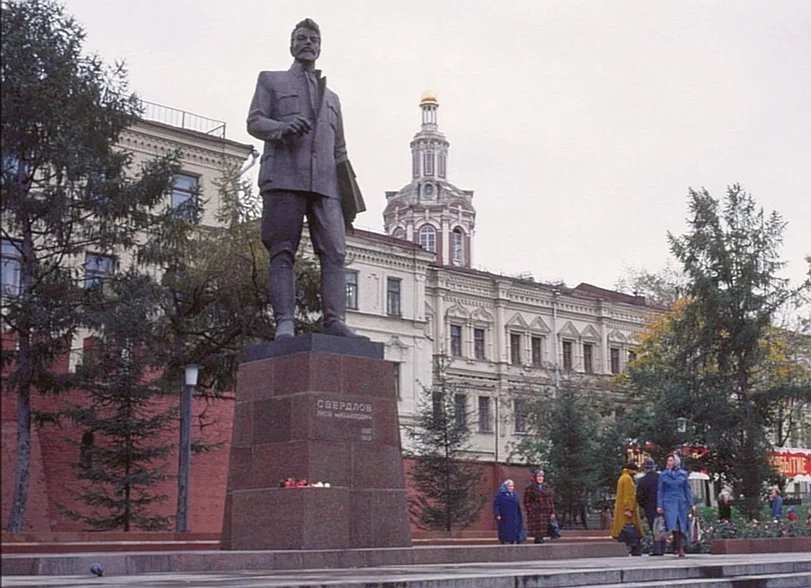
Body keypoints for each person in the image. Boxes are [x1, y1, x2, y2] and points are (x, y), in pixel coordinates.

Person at [247, 18, 361, 339]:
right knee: (283, 251)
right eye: (301, 38)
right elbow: (255, 121)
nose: (307, 43)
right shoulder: (271, 80)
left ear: (320, 47)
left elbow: (340, 150)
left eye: (313, 39)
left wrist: (348, 200)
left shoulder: (333, 99)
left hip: (326, 186)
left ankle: (334, 320)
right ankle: (285, 320)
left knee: (335, 253)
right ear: (292, 44)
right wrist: (281, 127)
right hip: (284, 178)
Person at [657, 453, 693, 557]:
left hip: (681, 502)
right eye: (668, 461)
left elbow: (687, 490)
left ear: (676, 462)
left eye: (671, 461)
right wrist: (659, 505)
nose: (669, 463)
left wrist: (691, 504)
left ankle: (678, 545)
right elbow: (660, 491)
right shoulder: (663, 475)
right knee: (673, 525)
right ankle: (679, 548)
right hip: (668, 502)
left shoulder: (683, 474)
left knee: (682, 525)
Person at [611, 462, 643, 555]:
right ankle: (634, 549)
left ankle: (627, 548)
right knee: (631, 528)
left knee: (622, 529)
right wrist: (628, 509)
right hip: (627, 510)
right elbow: (629, 495)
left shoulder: (622, 478)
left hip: (621, 508)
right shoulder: (628, 479)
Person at [636, 458, 664, 555]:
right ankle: (662, 548)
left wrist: (643, 505)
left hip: (649, 507)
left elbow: (639, 496)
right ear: (654, 467)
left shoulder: (642, 481)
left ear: (645, 469)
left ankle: (657, 549)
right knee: (662, 526)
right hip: (662, 505)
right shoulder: (661, 478)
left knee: (653, 527)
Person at [523, 469, 556, 544]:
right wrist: (531, 510)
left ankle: (540, 543)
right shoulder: (530, 487)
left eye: (541, 476)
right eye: (538, 476)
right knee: (537, 533)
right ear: (535, 477)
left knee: (543, 531)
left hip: (545, 512)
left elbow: (550, 500)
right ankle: (538, 543)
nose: (540, 478)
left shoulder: (546, 487)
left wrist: (552, 512)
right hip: (536, 513)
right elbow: (526, 501)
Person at [493, 479, 523, 544]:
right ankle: (504, 542)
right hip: (504, 517)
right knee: (504, 532)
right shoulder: (500, 495)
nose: (511, 488)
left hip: (514, 517)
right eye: (509, 486)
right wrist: (497, 514)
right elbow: (496, 505)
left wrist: (519, 516)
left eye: (512, 486)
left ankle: (513, 541)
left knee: (513, 532)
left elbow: (518, 507)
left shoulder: (514, 495)